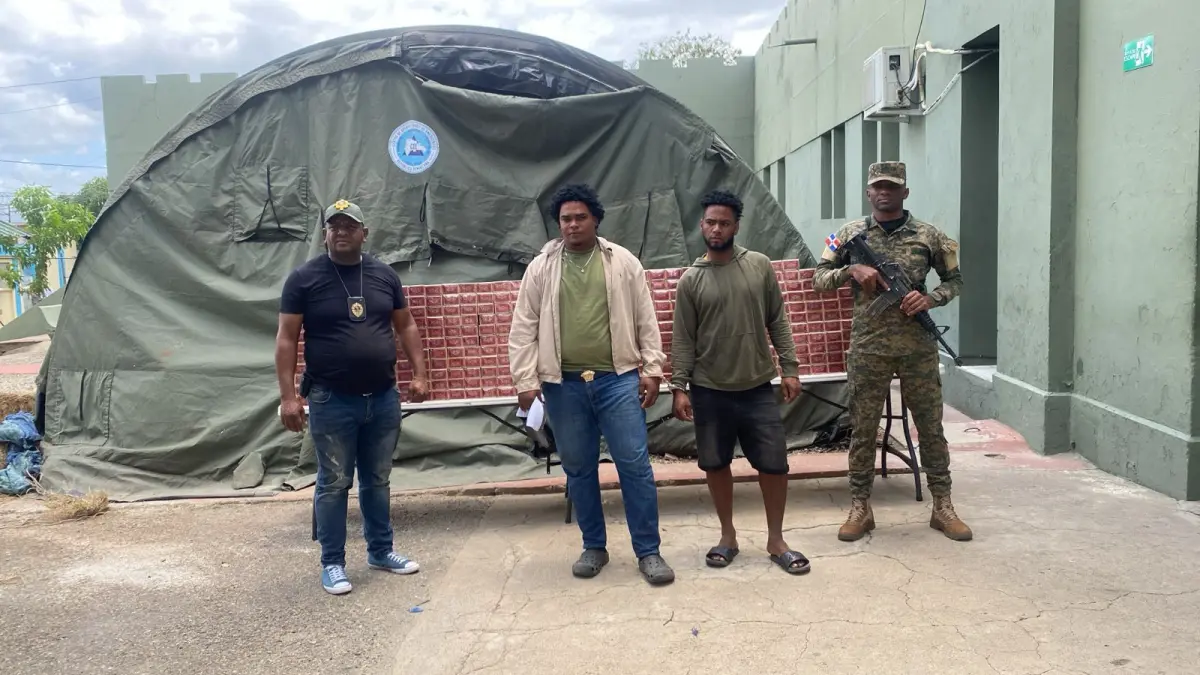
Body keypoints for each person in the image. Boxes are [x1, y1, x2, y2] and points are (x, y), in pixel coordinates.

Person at [508, 183, 675, 585]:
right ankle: (594, 546)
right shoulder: (541, 268)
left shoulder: (623, 262)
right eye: (565, 218)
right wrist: (525, 379)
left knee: (634, 465)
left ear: (596, 219)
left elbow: (645, 318)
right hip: (562, 386)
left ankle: (649, 552)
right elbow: (523, 326)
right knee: (579, 468)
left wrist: (653, 368)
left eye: (580, 217)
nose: (572, 225)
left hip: (617, 381)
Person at [276, 198, 431, 595]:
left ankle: (381, 551)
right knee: (334, 482)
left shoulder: (384, 275)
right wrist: (289, 397)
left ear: (365, 233)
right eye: (334, 226)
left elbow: (406, 325)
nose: (341, 232)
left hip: (382, 396)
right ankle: (332, 563)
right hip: (331, 399)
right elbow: (287, 338)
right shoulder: (303, 279)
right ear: (324, 234)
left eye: (349, 226)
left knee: (377, 479)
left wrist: (420, 373)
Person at [812, 161, 972, 542]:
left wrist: (930, 299)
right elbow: (818, 278)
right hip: (868, 347)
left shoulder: (929, 236)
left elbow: (955, 281)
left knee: (930, 427)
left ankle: (943, 505)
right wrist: (851, 271)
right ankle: (860, 506)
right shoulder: (848, 235)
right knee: (863, 428)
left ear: (905, 192)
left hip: (917, 348)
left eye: (892, 186)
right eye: (878, 186)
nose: (884, 192)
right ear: (868, 192)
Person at [669, 189, 809, 575]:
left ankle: (776, 540)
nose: (716, 229)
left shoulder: (759, 266)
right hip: (709, 389)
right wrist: (679, 387)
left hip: (757, 387)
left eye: (724, 223)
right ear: (701, 226)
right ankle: (727, 536)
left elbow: (777, 319)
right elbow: (683, 340)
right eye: (710, 223)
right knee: (715, 464)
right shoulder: (690, 280)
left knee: (774, 465)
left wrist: (790, 369)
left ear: (736, 227)